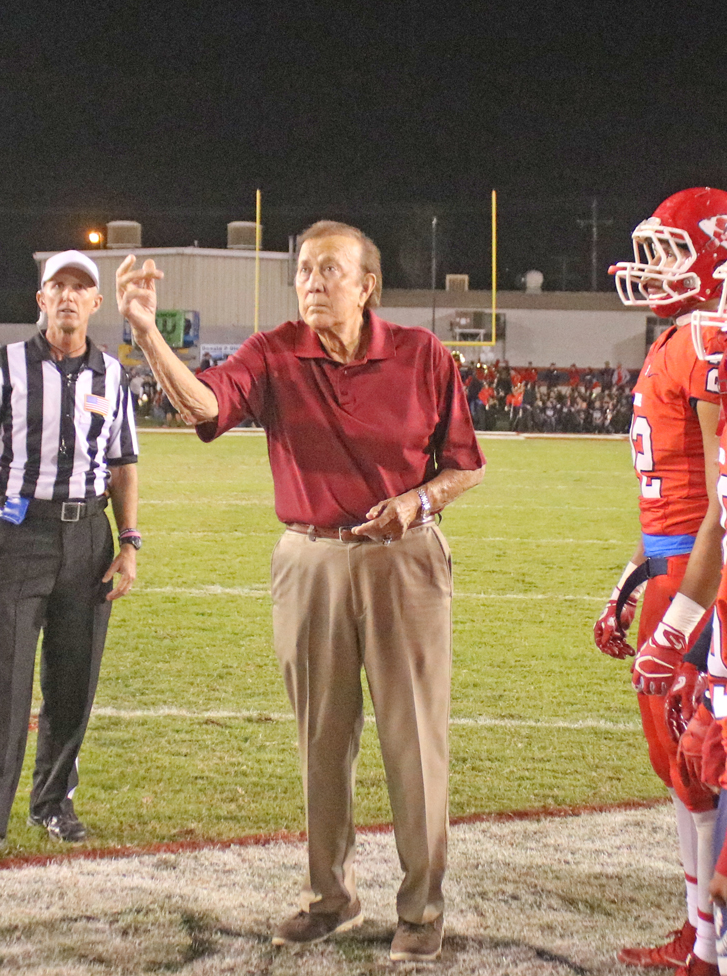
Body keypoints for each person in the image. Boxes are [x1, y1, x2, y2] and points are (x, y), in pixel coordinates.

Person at [117, 220, 485, 963]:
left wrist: (417, 502)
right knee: (321, 738)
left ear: (366, 284)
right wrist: (149, 335)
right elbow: (205, 407)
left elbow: (466, 464)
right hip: (309, 556)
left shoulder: (422, 353)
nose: (313, 283)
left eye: (328, 271)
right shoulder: (274, 351)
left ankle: (421, 905)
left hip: (403, 555)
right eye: (305, 271)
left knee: (413, 739)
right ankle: (331, 896)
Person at [0, 249, 139, 866]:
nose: (70, 297)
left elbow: (125, 463)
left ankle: (53, 802)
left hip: (88, 540)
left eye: (81, 287)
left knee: (73, 684)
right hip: (21, 536)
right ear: (41, 298)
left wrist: (129, 542)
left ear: (96, 303)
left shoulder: (113, 373)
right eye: (59, 286)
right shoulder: (6, 366)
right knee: (7, 681)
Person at [595, 187, 727, 973]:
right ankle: (700, 930)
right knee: (678, 768)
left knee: (705, 762)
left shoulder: (707, 341)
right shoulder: (676, 339)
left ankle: (719, 942)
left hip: (702, 575)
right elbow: (676, 492)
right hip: (674, 563)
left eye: (671, 253)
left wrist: (684, 609)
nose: (655, 271)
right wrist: (637, 572)